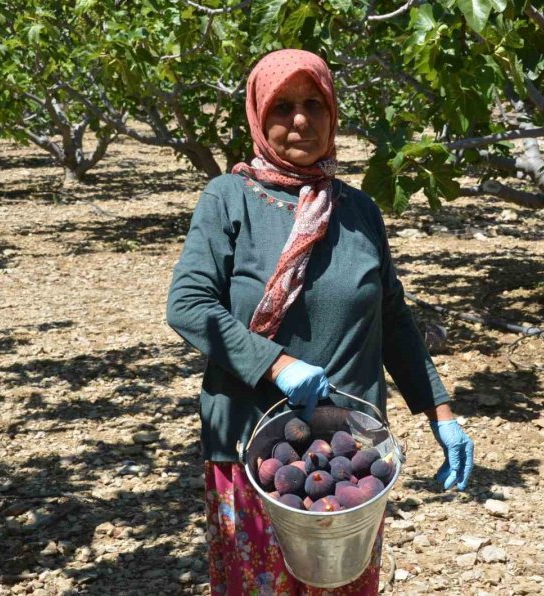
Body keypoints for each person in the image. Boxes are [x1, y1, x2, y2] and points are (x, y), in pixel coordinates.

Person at [166, 49, 475, 595]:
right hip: (253, 448)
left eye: (314, 104)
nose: (301, 120)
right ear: (258, 116)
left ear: (334, 113)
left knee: (342, 583)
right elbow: (189, 304)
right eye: (282, 107)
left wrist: (440, 412)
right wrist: (276, 364)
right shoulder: (228, 199)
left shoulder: (357, 210)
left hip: (349, 457)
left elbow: (392, 319)